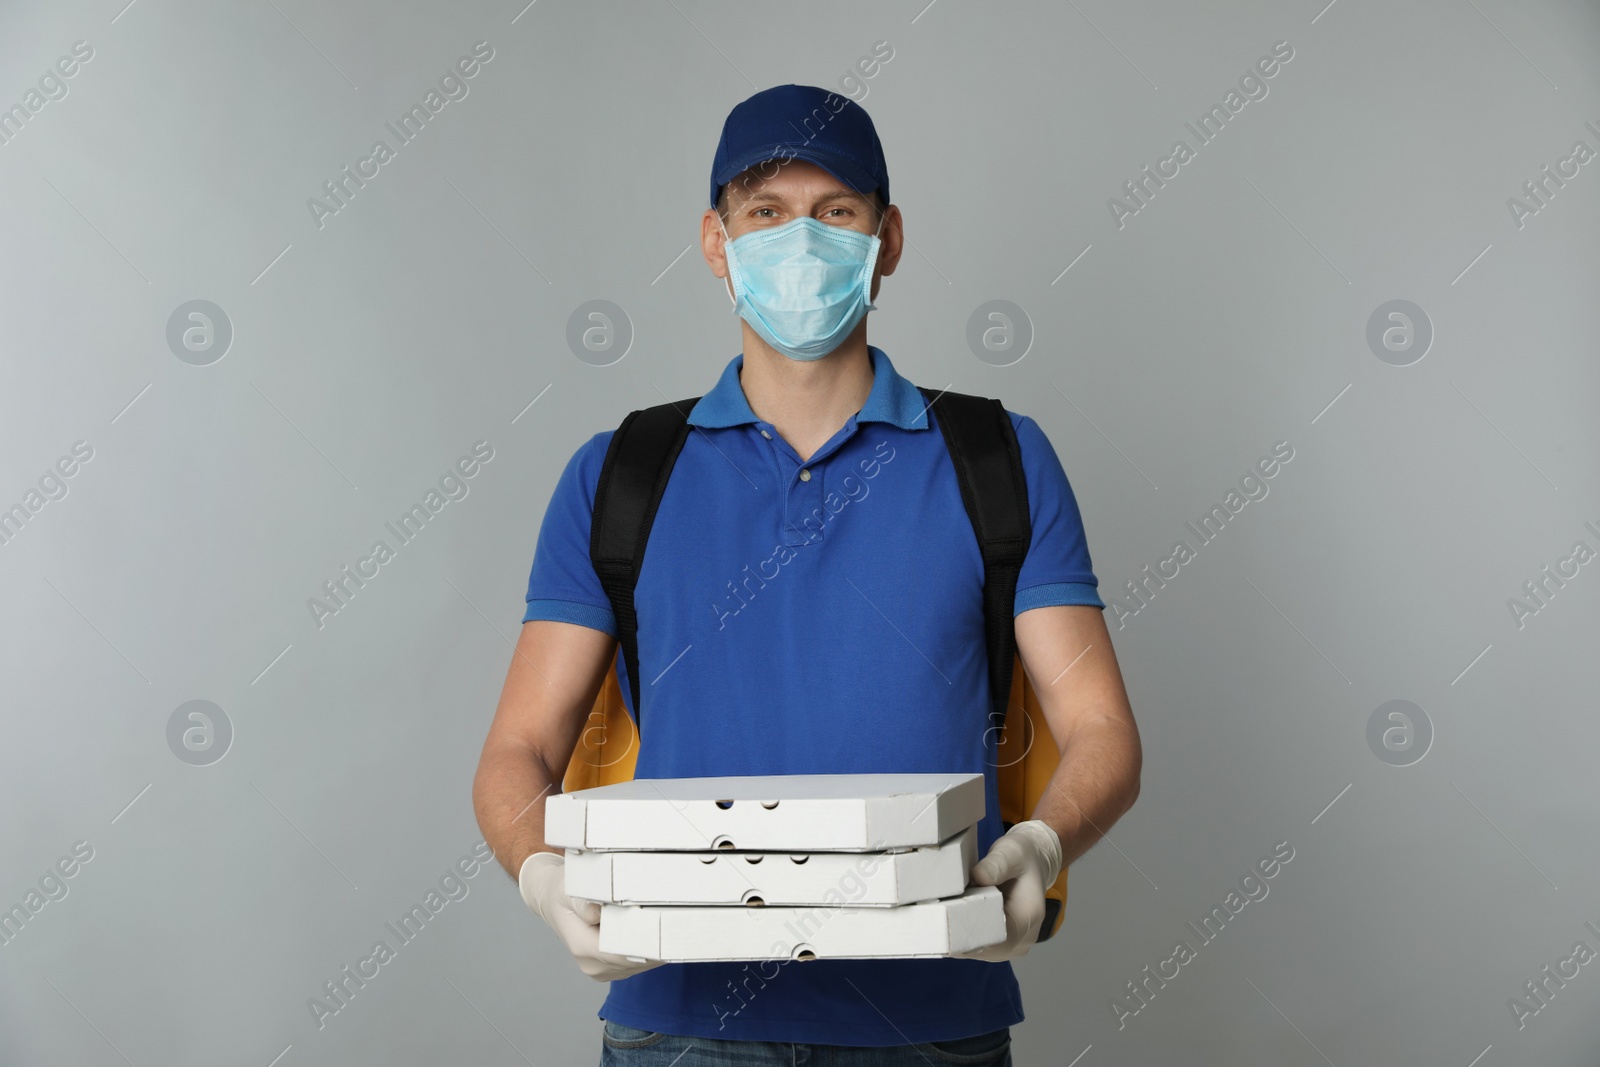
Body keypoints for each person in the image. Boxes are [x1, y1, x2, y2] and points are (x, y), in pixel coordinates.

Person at [472, 83, 1142, 1066]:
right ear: (716, 241)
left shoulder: (996, 459)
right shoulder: (621, 474)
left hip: (929, 1020)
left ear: (888, 238)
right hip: (681, 1025)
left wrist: (1039, 848)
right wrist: (541, 874)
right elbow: (517, 747)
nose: (799, 239)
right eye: (765, 212)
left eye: (835, 211)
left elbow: (1100, 729)